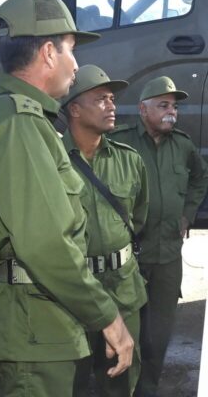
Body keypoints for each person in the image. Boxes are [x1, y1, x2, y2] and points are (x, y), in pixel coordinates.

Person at [0, 0, 134, 396]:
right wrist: (108, 317)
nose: (76, 64)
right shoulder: (19, 123)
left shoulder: (1, 115)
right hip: (29, 332)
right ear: (49, 53)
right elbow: (47, 243)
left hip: (29, 323)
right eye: (71, 49)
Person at [110, 75, 208, 397]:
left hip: (167, 256)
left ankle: (147, 389)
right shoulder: (120, 142)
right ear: (143, 109)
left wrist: (187, 213)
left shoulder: (182, 145)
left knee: (159, 334)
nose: (172, 113)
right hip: (131, 256)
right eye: (164, 106)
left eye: (175, 107)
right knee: (126, 332)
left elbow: (201, 176)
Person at [62, 65, 148, 396]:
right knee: (70, 382)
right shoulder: (52, 160)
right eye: (100, 99)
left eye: (112, 99)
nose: (111, 105)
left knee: (121, 381)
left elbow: (139, 217)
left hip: (123, 288)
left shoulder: (129, 160)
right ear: (74, 109)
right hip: (73, 294)